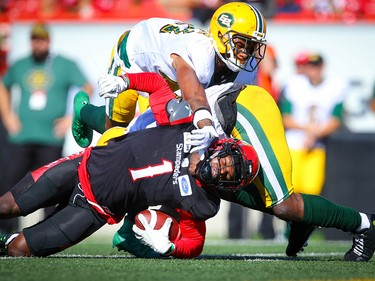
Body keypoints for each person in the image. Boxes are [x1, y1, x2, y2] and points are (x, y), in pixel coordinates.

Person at [107, 71, 375, 262]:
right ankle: (300, 220)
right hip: (216, 142)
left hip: (240, 111)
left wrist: (120, 83)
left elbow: (156, 88)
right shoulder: (136, 153)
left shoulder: (144, 134)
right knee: (217, 181)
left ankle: (364, 224)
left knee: (282, 203)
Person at [0, 72, 259, 258]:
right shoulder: (190, 128)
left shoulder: (203, 201)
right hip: (81, 168)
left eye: (230, 175)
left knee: (18, 249)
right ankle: (86, 112)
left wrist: (170, 248)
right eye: (228, 162)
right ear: (223, 148)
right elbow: (157, 85)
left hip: (95, 210)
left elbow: (194, 242)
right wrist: (124, 81)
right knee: (6, 205)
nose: (223, 169)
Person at [71, 1, 267, 149]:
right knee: (114, 128)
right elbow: (194, 93)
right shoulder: (198, 51)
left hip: (170, 78)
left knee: (162, 133)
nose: (245, 53)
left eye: (252, 46)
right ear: (220, 35)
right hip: (136, 59)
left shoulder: (245, 67)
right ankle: (83, 111)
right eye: (241, 44)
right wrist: (205, 123)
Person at [0, 22, 93, 234]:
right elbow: (3, 87)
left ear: (48, 41)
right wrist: (7, 117)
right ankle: (5, 231)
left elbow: (87, 86)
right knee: (9, 182)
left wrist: (72, 116)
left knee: (50, 186)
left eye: (41, 39)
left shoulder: (65, 64)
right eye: (34, 39)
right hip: (21, 136)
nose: (37, 43)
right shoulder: (21, 64)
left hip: (50, 137)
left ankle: (45, 231)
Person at [279, 53, 347, 196]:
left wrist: (315, 134)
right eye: (310, 66)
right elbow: (286, 118)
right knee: (290, 192)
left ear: (322, 67)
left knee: (312, 193)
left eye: (316, 66)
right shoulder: (294, 85)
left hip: (316, 146)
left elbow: (336, 119)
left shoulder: (335, 87)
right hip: (294, 145)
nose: (313, 70)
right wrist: (308, 129)